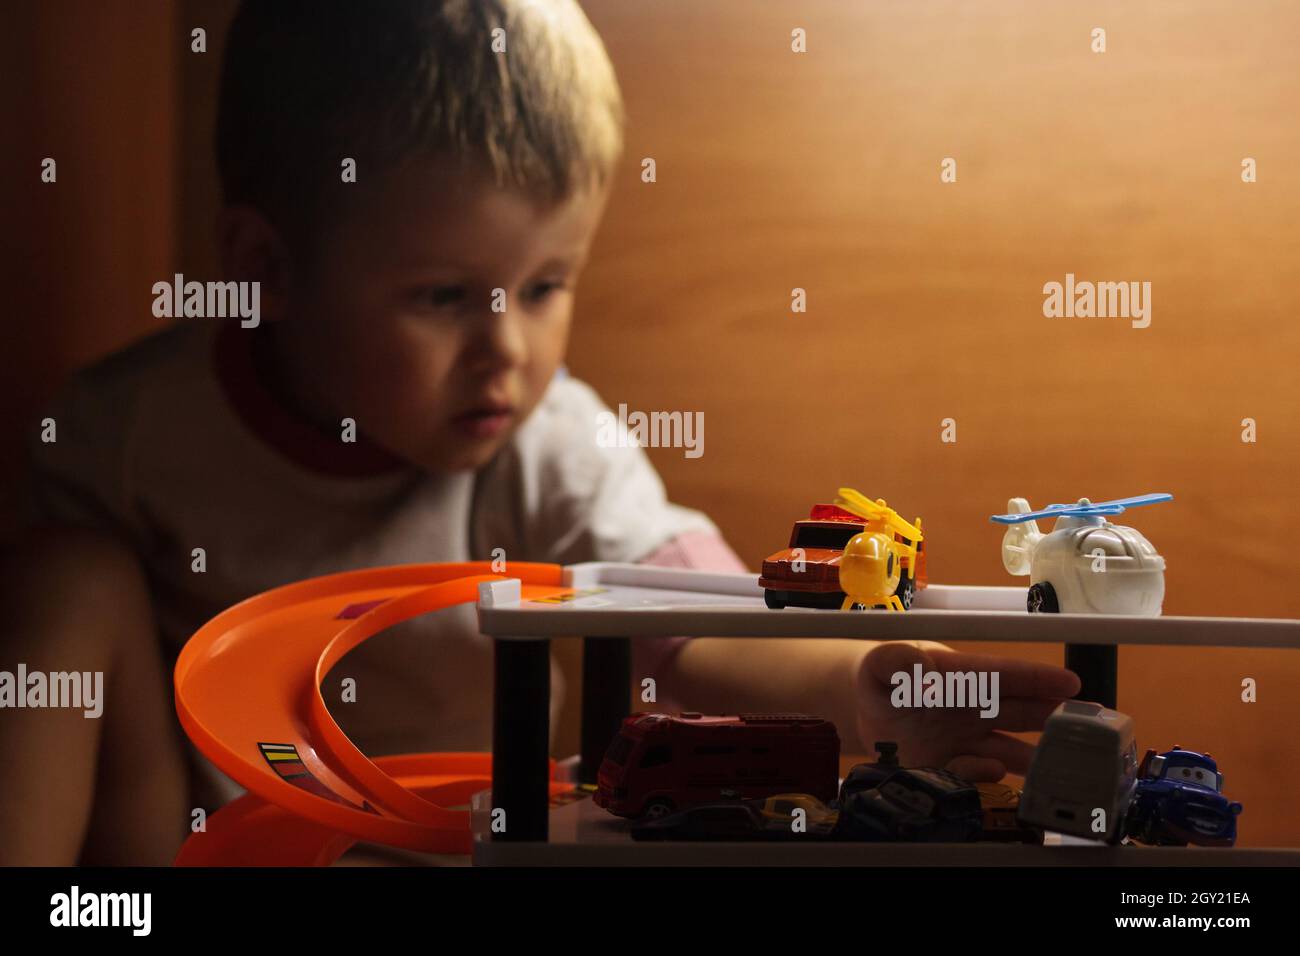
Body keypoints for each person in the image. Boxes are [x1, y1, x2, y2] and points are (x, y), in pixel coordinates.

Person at [0, 0, 1078, 865]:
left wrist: (855, 688)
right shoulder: (130, 428)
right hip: (206, 848)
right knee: (64, 580)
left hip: (472, 842)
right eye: (443, 295)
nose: (506, 350)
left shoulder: (550, 444)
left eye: (547, 282)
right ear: (267, 271)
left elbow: (689, 631)